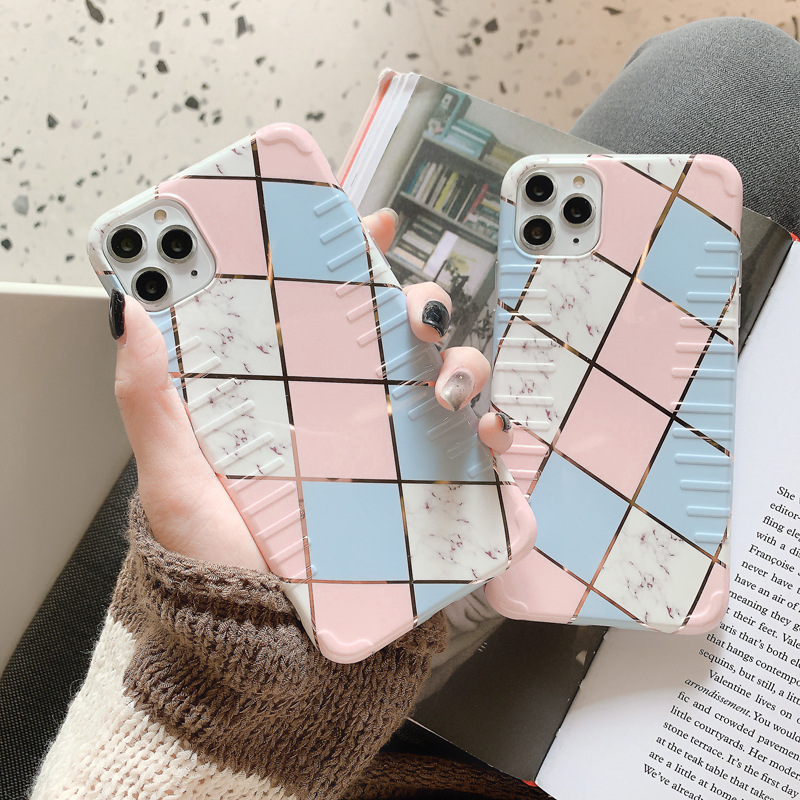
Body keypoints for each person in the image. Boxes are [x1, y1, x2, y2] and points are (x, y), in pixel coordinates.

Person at [24, 16, 800, 800]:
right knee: (739, 75)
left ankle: (435, 603)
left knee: (732, 72)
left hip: (326, 719)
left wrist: (225, 677)